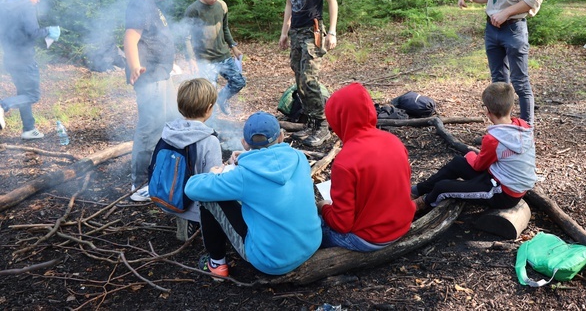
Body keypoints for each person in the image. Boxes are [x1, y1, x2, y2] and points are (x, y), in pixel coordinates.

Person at [184, 111, 321, 277]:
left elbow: (192, 188)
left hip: (270, 260)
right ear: (281, 137)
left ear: (244, 143)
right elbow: (270, 162)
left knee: (211, 199)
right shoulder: (299, 157)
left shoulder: (243, 176)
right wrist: (247, 158)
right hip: (311, 244)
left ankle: (216, 263)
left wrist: (214, 173)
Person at [318, 83, 415, 252]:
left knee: (316, 227)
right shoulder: (393, 141)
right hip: (402, 224)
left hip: (370, 238)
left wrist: (324, 207)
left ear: (339, 119)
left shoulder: (344, 162)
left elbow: (342, 224)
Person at [412, 82, 537, 212]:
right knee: (458, 163)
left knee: (442, 187)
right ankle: (418, 190)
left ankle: (420, 204)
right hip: (499, 177)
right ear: (511, 107)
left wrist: (471, 155)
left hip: (503, 194)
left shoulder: (494, 140)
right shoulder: (523, 126)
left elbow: (478, 166)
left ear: (487, 111)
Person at [124, 0, 188, 202]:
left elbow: (154, 39)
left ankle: (162, 173)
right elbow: (130, 37)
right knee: (149, 127)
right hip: (148, 76)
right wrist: (134, 66)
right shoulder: (140, 2)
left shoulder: (150, 4)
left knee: (169, 121)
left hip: (161, 74)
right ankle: (140, 182)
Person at [278, 0, 339, 147]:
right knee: (298, 79)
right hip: (295, 32)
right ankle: (311, 123)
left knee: (309, 80)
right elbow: (289, 3)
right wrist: (285, 31)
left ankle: (323, 126)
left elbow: (332, 1)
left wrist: (331, 32)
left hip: (312, 32)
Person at [153, 78, 222, 241]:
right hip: (196, 205)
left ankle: (182, 218)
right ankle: (199, 223)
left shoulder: (168, 132)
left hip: (169, 196)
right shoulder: (210, 140)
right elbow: (214, 181)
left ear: (180, 107)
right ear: (209, 108)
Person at [0, 0, 59, 139]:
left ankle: (29, 129)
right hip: (25, 59)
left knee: (22, 92)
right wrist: (49, 31)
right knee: (32, 95)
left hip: (10, 58)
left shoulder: (4, 4)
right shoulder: (26, 5)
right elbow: (32, 32)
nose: (38, 0)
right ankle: (3, 105)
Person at [184, 0, 245, 116]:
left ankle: (222, 99)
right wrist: (191, 59)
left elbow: (225, 28)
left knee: (239, 81)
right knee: (208, 96)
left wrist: (233, 46)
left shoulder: (222, 6)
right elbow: (186, 37)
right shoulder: (193, 10)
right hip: (205, 60)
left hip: (223, 56)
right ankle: (211, 127)